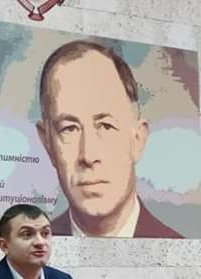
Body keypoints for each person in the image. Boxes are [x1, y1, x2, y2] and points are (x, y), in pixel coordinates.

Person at [36, 40, 182, 238]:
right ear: (47, 143)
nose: (88, 155)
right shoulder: (29, 252)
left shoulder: (181, 252)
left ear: (137, 140)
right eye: (69, 128)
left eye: (106, 126)